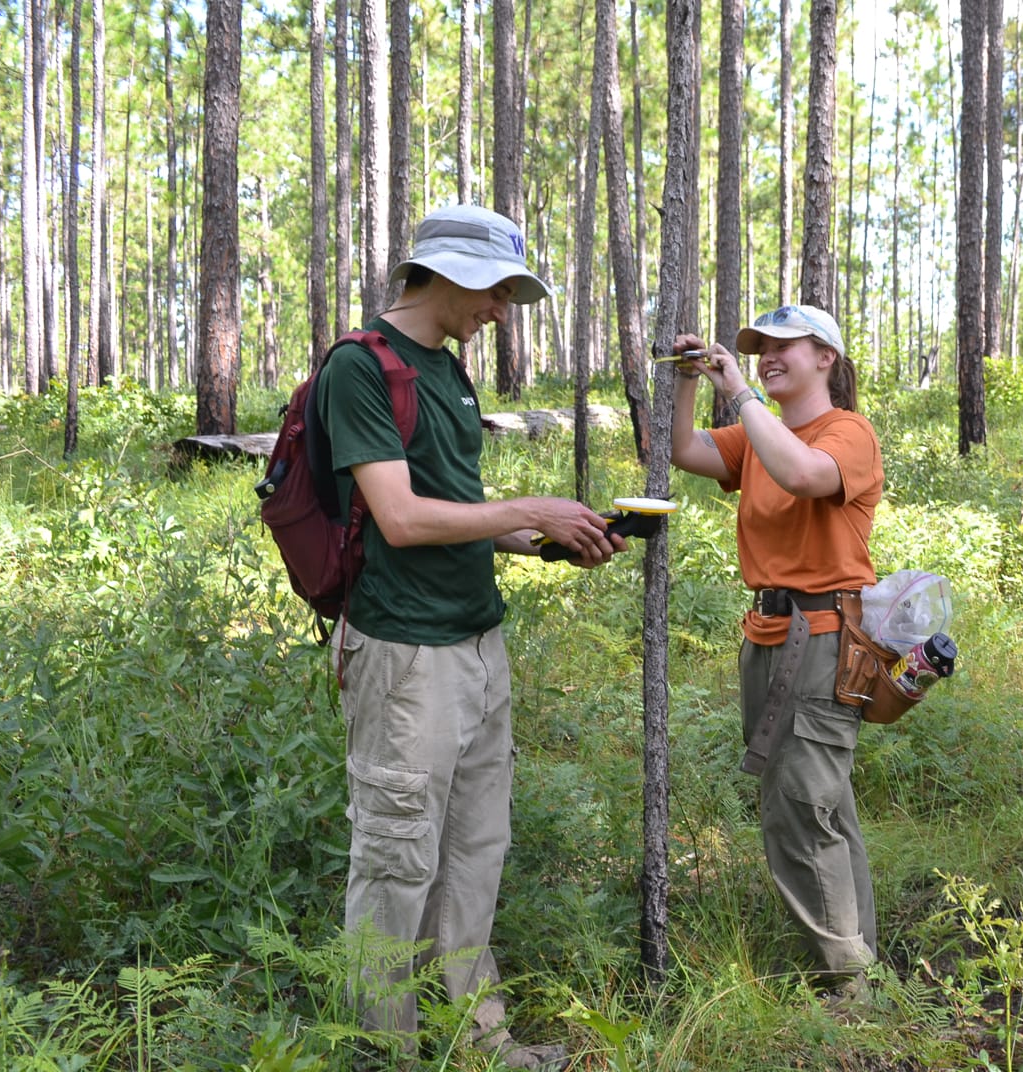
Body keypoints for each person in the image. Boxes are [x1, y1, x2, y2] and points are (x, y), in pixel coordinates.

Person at [316, 204, 623, 1069]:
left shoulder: (449, 373)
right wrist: (530, 506)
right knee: (396, 858)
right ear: (442, 273)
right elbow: (403, 520)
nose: (501, 312)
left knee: (474, 854)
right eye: (495, 292)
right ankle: (386, 1051)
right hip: (407, 654)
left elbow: (453, 509)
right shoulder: (360, 369)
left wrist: (542, 538)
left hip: (478, 645)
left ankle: (477, 1042)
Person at [667, 304, 885, 996]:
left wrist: (740, 394)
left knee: (801, 809)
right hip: (766, 638)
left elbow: (802, 476)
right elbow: (684, 450)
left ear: (826, 357)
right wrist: (686, 380)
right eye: (760, 347)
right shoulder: (758, 435)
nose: (767, 354)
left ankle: (846, 985)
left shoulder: (847, 433)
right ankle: (857, 960)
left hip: (822, 641)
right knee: (816, 806)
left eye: (784, 345)